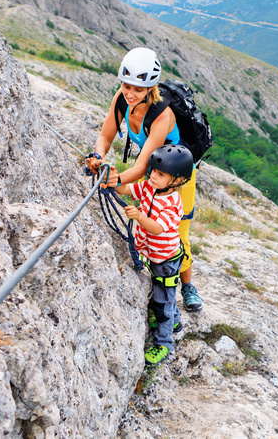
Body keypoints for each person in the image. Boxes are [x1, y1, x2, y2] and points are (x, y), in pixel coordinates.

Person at [85, 48, 204, 312]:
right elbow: (105, 137)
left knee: (176, 233)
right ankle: (156, 270)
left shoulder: (163, 115)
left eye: (138, 89)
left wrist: (113, 179)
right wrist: (98, 156)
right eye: (126, 86)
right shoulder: (121, 99)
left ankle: (187, 286)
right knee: (146, 221)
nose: (130, 93)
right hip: (155, 171)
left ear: (150, 88)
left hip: (178, 180)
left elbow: (140, 167)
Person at [114, 144, 194, 367]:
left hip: (166, 260)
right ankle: (175, 322)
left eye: (160, 174)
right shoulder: (150, 187)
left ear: (177, 180)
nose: (153, 176)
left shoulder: (173, 203)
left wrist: (138, 217)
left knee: (162, 301)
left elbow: (157, 228)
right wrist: (113, 182)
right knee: (165, 295)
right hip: (154, 254)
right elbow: (128, 190)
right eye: (152, 171)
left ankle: (164, 343)